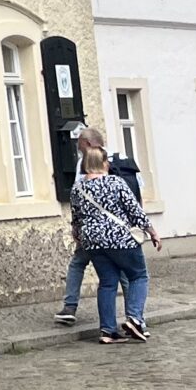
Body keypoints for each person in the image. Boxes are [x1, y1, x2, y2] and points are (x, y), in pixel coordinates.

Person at [54, 126, 146, 326]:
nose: (79, 150)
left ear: (87, 144)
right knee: (129, 275)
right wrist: (143, 228)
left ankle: (70, 307)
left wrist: (77, 230)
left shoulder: (85, 163)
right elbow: (138, 194)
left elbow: (79, 196)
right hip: (123, 232)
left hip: (93, 233)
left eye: (80, 146)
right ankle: (136, 318)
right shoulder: (124, 159)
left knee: (82, 266)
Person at [71, 143, 162, 344]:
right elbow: (134, 211)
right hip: (120, 238)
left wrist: (78, 236)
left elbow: (76, 217)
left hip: (93, 242)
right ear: (104, 163)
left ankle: (108, 331)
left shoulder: (77, 188)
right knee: (139, 276)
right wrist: (152, 232)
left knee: (107, 283)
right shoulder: (116, 182)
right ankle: (135, 318)